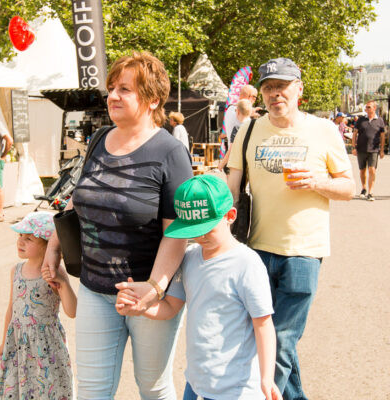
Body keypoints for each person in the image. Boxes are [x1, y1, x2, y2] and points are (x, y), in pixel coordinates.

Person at [43, 51, 193, 399]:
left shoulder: (170, 153)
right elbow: (78, 200)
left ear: (153, 98)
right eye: (111, 87)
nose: (112, 96)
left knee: (153, 387)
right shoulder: (98, 140)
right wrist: (54, 247)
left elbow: (177, 231)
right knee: (93, 390)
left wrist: (154, 288)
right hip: (95, 291)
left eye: (125, 89)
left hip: (147, 292)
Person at [227, 57, 355, 400]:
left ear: (299, 89)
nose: (274, 94)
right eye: (268, 87)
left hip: (304, 252)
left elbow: (348, 188)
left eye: (281, 86)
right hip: (256, 248)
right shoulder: (249, 130)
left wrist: (316, 181)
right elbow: (232, 185)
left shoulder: (323, 130)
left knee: (281, 338)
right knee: (272, 338)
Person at [116, 175, 282, 400]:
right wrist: (140, 306)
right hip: (196, 383)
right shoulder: (190, 257)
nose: (200, 236)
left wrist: (266, 377)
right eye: (192, 229)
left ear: (230, 216)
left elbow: (263, 324)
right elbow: (171, 307)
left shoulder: (247, 264)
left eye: (207, 228)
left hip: (237, 390)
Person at [0, 212, 76, 399]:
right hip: (18, 343)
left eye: (28, 238)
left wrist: (63, 283)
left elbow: (72, 311)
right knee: (19, 387)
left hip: (46, 346)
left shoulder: (53, 272)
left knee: (49, 387)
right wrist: (3, 343)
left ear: (48, 245)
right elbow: (11, 310)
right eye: (20, 236)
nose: (20, 242)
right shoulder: (16, 271)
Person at [351, 100, 385, 201]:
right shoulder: (361, 119)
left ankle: (370, 192)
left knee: (372, 170)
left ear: (374, 108)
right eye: (366, 107)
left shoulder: (379, 120)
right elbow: (355, 134)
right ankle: (364, 188)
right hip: (361, 149)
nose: (367, 109)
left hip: (374, 149)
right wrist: (353, 147)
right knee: (362, 171)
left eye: (369, 107)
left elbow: (382, 136)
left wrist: (382, 150)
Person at [218, 99, 252, 171]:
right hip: (251, 163)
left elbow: (231, 150)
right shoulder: (253, 125)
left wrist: (222, 164)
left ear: (238, 111)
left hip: (238, 164)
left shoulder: (237, 128)